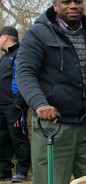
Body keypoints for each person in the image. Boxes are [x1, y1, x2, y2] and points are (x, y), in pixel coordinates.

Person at [16, 0, 86, 184]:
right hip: (53, 125)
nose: (73, 6)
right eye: (66, 2)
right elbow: (25, 73)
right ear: (55, 6)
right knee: (50, 180)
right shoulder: (37, 34)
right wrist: (40, 104)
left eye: (78, 2)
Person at [0, 26, 31, 183]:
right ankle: (4, 170)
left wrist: (19, 101)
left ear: (5, 37)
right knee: (2, 138)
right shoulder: (4, 57)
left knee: (18, 137)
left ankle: (22, 171)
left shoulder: (20, 54)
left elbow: (22, 78)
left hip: (15, 104)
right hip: (2, 105)